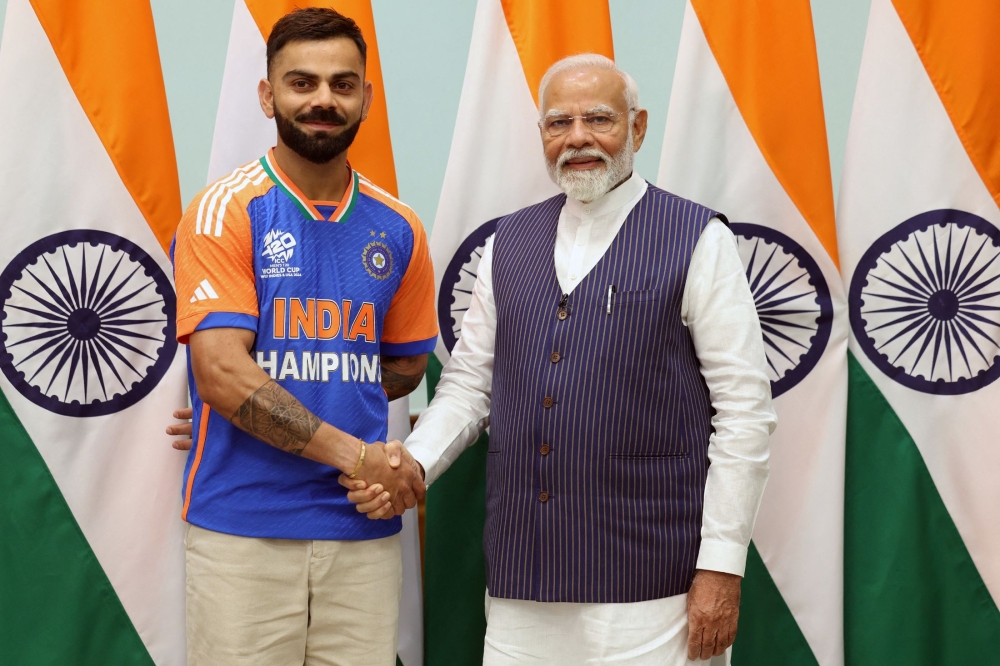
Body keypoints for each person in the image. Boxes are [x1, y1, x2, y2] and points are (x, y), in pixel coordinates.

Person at [343, 54, 776, 665]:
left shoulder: (699, 238)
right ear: (541, 135)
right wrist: (410, 463)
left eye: (598, 119)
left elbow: (745, 415)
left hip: (654, 581)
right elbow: (469, 386)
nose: (577, 138)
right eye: (558, 123)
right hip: (525, 578)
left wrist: (722, 567)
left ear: (638, 127)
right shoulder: (506, 242)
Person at [169, 8, 435, 665]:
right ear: (268, 95)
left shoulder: (399, 225)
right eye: (302, 82)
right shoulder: (224, 209)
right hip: (244, 531)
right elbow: (224, 375)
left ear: (366, 98)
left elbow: (406, 364)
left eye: (342, 84)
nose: (322, 99)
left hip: (362, 526)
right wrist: (353, 452)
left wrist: (295, 389)